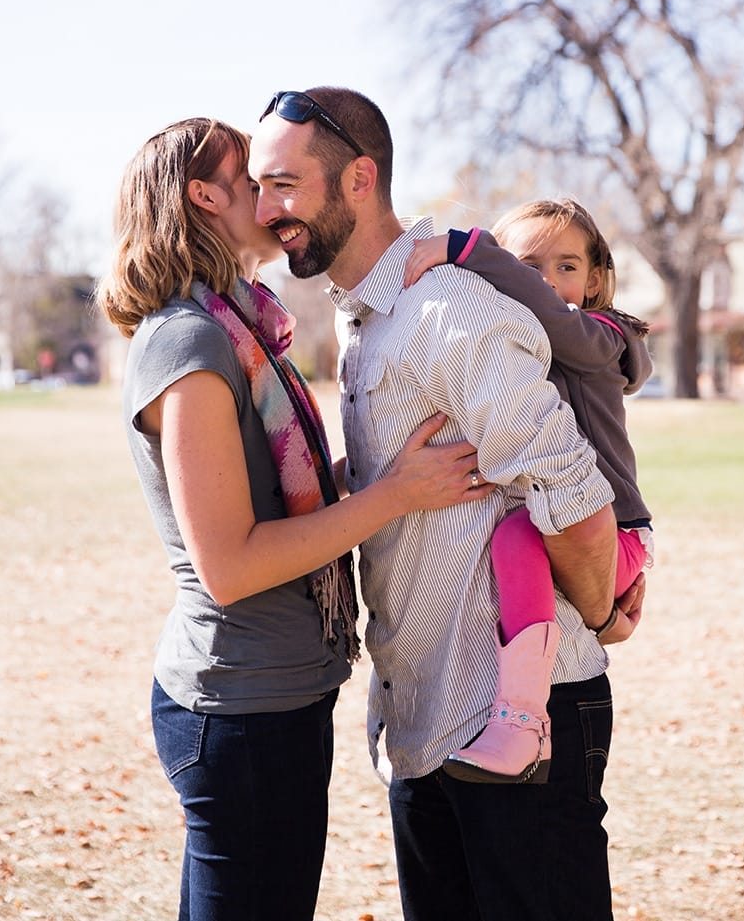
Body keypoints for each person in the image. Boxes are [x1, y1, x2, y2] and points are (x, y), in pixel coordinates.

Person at [249, 88, 645, 921]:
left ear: (360, 177)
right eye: (256, 187)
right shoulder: (368, 321)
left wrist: (603, 608)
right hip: (423, 723)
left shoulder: (446, 309)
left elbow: (571, 491)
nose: (264, 209)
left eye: (283, 184)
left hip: (520, 730)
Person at [95, 116, 493, 921]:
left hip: (281, 693)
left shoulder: (241, 325)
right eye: (255, 181)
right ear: (206, 196)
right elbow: (230, 562)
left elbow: (279, 498)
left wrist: (379, 468)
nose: (275, 200)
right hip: (237, 707)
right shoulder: (191, 342)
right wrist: (394, 495)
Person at [403, 199, 653, 782]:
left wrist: (472, 251)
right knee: (518, 533)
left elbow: (554, 319)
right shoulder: (508, 345)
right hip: (572, 536)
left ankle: (521, 722)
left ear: (593, 280)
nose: (547, 280)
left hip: (616, 534)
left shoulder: (602, 337)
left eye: (566, 266)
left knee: (517, 534)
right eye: (530, 263)